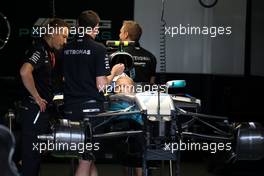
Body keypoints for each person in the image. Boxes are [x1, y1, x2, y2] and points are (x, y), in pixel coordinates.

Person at [62, 10, 124, 176]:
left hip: (69, 110)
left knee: (88, 157)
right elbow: (102, 86)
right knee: (86, 158)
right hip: (91, 113)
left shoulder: (65, 48)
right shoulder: (98, 48)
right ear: (96, 27)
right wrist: (115, 72)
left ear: (78, 26)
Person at [19, 18, 69, 176]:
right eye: (64, 36)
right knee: (30, 159)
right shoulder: (39, 50)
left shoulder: (50, 52)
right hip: (34, 110)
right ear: (53, 33)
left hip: (41, 113)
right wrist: (37, 97)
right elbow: (24, 71)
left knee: (36, 158)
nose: (65, 41)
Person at [119, 20, 157, 84]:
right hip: (145, 93)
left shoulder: (118, 56)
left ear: (126, 34)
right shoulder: (151, 56)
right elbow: (152, 82)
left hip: (125, 92)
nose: (119, 35)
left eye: (120, 32)